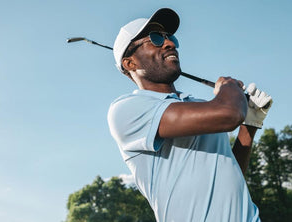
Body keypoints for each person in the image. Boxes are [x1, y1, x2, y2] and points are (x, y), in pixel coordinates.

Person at [107, 8, 272, 222]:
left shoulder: (200, 107)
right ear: (130, 63)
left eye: (170, 37)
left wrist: (249, 124)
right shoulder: (127, 110)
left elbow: (228, 173)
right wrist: (228, 86)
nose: (170, 44)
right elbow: (229, 114)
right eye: (156, 39)